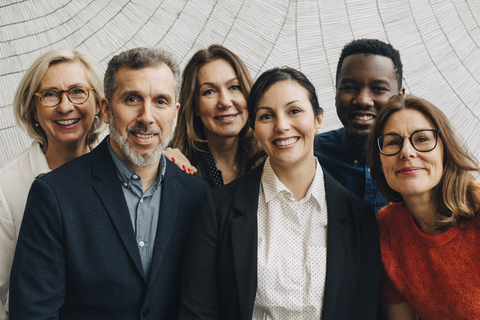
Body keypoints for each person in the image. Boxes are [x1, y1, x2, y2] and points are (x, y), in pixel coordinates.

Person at [9, 47, 209, 319]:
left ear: (175, 111)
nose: (147, 117)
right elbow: (34, 313)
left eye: (160, 101)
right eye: (132, 99)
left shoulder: (198, 195)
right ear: (105, 109)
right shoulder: (53, 195)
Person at [180, 67, 381, 319]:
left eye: (294, 111)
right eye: (266, 116)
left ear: (318, 119)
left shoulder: (358, 216)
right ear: (253, 126)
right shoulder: (218, 208)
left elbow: (363, 313)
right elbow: (198, 312)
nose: (282, 126)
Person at [0, 48, 105, 320]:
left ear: (98, 104)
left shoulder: (118, 172)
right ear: (33, 109)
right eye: (50, 94)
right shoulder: (6, 185)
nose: (65, 106)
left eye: (78, 91)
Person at [366, 94, 480, 320]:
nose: (407, 152)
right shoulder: (385, 230)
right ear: (379, 161)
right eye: (393, 142)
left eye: (422, 139)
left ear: (445, 150)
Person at [314, 38, 405, 212]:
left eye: (378, 89)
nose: (362, 100)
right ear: (336, 94)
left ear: (400, 97)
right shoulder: (309, 158)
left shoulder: (417, 160)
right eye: (349, 87)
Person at [168, 44, 264, 187]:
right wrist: (156, 166)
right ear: (195, 106)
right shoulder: (175, 166)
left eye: (234, 87)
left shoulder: (269, 160)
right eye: (209, 91)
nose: (225, 102)